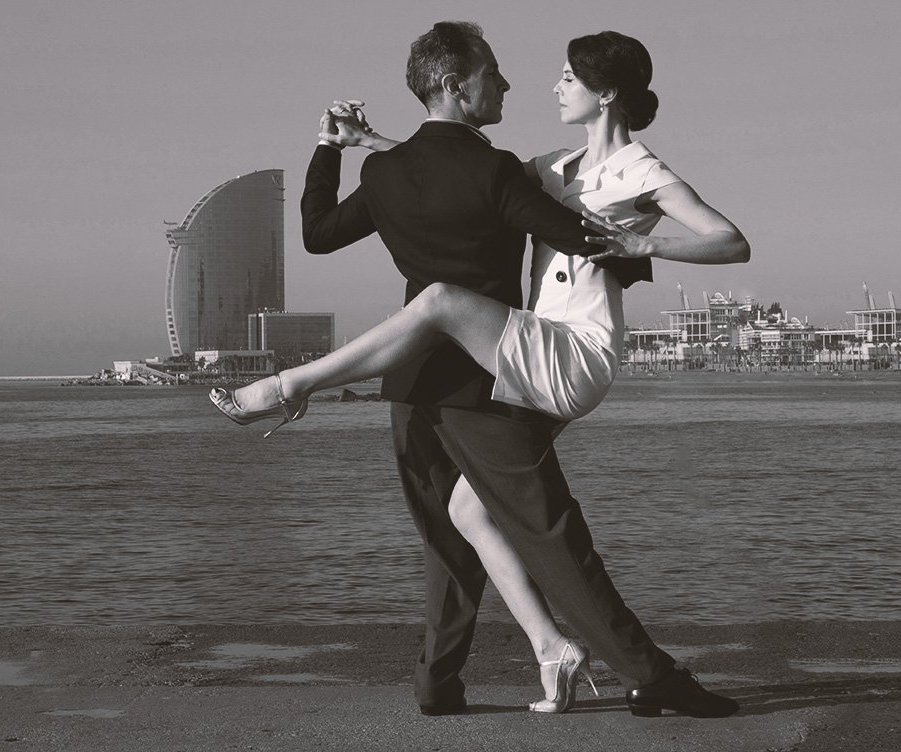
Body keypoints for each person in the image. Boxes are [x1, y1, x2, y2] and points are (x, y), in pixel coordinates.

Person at [213, 23, 747, 717]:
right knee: (481, 523)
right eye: (495, 73)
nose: (522, 84)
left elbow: (337, 222)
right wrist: (361, 142)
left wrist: (339, 146)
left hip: (459, 366)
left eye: (564, 77)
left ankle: (464, 681)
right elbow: (468, 177)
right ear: (459, 85)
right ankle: (566, 662)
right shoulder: (520, 169)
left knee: (485, 526)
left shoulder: (424, 172)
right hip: (477, 370)